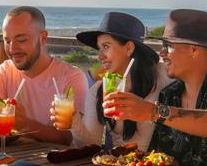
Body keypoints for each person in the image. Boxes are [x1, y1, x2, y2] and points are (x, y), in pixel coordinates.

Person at [104, 9, 207, 166]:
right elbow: (159, 159)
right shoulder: (170, 94)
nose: (162, 53)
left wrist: (152, 112)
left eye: (167, 46)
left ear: (194, 50)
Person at [0, 6, 88, 145]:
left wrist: (26, 125)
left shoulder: (72, 76)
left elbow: (72, 137)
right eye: (7, 41)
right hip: (14, 154)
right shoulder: (6, 69)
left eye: (21, 40)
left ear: (43, 38)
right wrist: (5, 119)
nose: (12, 49)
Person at [59, 12, 171, 151]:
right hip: (119, 163)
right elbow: (91, 143)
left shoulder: (161, 79)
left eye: (106, 46)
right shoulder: (99, 90)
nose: (100, 56)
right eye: (99, 48)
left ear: (129, 48)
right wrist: (73, 120)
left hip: (157, 163)